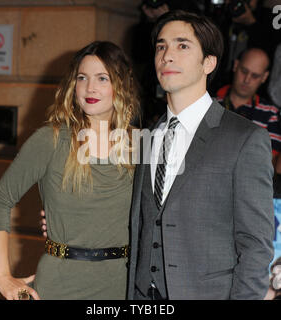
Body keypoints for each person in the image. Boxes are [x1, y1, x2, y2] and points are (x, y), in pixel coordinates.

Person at [127, 10, 275, 300]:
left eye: (182, 45)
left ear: (209, 62)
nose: (167, 55)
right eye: (161, 46)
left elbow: (256, 245)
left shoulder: (245, 138)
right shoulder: (147, 135)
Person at [0, 41, 140, 300]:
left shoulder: (139, 145)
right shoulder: (52, 139)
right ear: (73, 85)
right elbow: (0, 200)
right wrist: (2, 276)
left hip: (123, 283)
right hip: (62, 284)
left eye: (102, 78)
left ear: (122, 85)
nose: (90, 88)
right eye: (82, 78)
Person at [216, 48, 281, 165]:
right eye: (244, 71)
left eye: (255, 76)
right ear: (236, 65)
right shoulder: (209, 104)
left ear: (264, 77)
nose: (247, 80)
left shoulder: (271, 113)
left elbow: (270, 165)